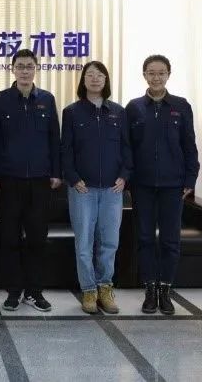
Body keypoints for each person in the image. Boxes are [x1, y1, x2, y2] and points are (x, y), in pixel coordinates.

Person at [125, 55, 199, 315]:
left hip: (173, 185)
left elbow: (189, 145)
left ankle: (165, 290)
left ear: (168, 74)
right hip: (142, 185)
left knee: (170, 240)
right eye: (151, 73)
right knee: (145, 238)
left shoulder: (181, 106)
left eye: (161, 73)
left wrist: (190, 178)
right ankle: (149, 290)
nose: (156, 77)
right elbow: (128, 147)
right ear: (144, 75)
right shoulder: (134, 107)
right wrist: (129, 179)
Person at [0, 49, 61, 312]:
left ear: (36, 69)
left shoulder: (47, 100)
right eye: (20, 66)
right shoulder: (1, 100)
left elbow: (54, 138)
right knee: (9, 238)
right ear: (12, 69)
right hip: (9, 180)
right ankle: (13, 291)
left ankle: (34, 292)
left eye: (29, 66)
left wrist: (56, 172)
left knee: (37, 239)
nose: (25, 71)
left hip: (40, 181)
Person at [61, 61, 132, 314]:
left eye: (99, 75)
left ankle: (105, 287)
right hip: (82, 189)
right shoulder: (72, 112)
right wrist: (73, 178)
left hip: (113, 190)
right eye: (90, 75)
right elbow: (66, 150)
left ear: (106, 80)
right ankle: (89, 290)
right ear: (83, 81)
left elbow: (127, 148)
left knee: (109, 242)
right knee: (84, 244)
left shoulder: (118, 112)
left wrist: (124, 176)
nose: (95, 79)